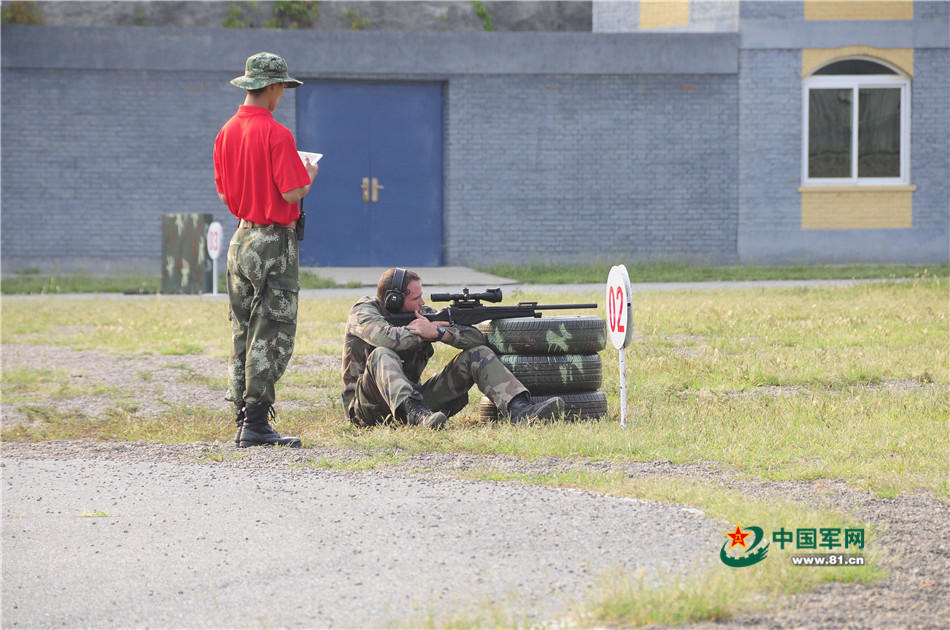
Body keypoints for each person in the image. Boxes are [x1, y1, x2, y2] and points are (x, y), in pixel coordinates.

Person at [213, 52, 318, 448]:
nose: (281, 96)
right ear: (272, 87)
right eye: (281, 89)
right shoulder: (277, 134)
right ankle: (257, 423)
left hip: (241, 238)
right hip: (274, 239)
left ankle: (242, 415)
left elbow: (226, 192)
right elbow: (292, 190)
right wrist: (308, 175)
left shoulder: (225, 132)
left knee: (242, 327)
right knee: (271, 328)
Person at [342, 268, 564, 429]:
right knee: (382, 354)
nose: (421, 304)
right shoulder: (364, 311)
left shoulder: (423, 314)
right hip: (367, 409)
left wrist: (440, 333)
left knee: (479, 355)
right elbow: (386, 338)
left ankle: (520, 410)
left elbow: (476, 339)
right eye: (416, 298)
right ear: (392, 300)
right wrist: (422, 332)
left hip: (419, 407)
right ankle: (416, 415)